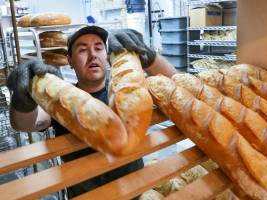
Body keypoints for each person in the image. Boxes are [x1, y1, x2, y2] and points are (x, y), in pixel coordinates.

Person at [7, 25, 176, 198]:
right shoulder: (60, 101)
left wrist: (150, 58)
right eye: (82, 50)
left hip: (134, 193)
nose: (92, 54)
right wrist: (21, 101)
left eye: (98, 48)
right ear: (70, 61)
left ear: (107, 55)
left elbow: (174, 84)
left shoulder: (129, 89)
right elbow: (24, 123)